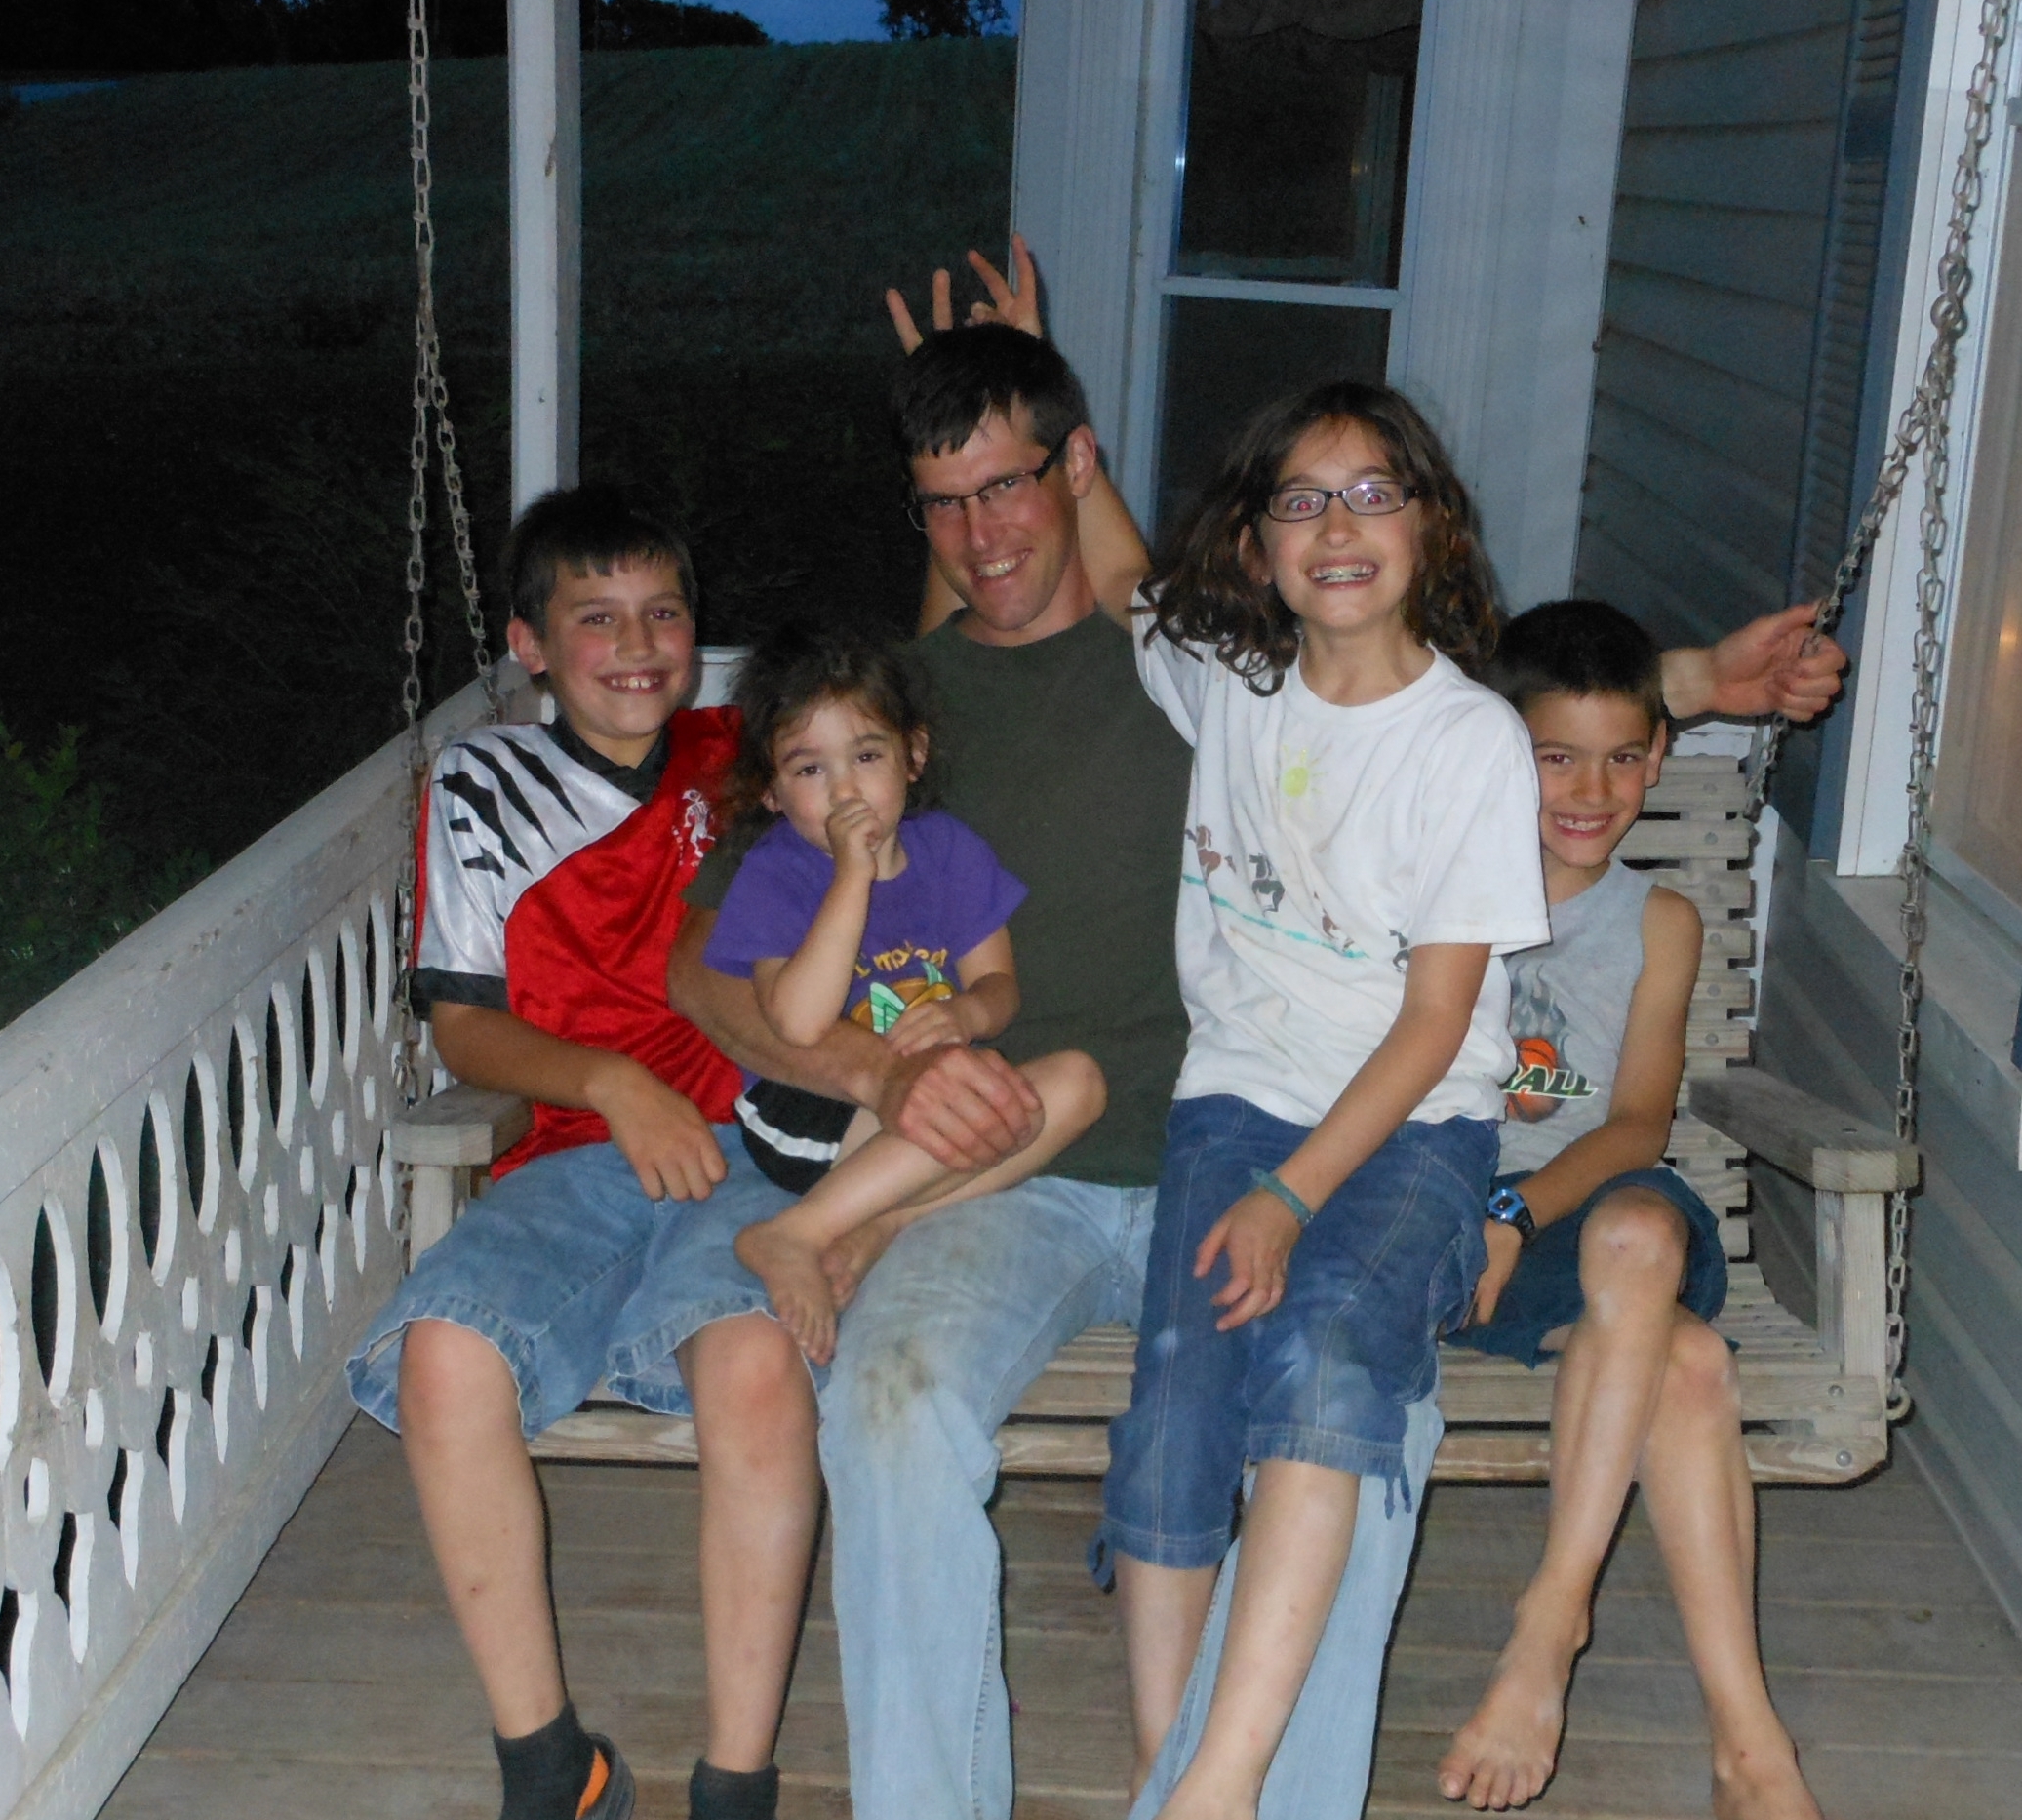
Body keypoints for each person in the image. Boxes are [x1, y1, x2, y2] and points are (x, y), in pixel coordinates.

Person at [669, 250, 1848, 1820]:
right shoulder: (894, 716)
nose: (985, 531)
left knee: (1346, 1425)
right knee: (886, 1399)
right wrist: (881, 1072)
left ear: (1076, 471)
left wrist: (1695, 681)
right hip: (1020, 1172)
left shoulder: (1204, 661)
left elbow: (1464, 707)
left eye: (1014, 485)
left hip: (1286, 1141)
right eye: (945, 504)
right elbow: (707, 966)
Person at [1084, 378, 1549, 1820]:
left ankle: (1218, 1785)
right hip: (1236, 1100)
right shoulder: (1231, 676)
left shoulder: (1467, 741)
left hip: (1414, 1127)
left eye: (1370, 495)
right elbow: (1113, 580)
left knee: (1330, 1372)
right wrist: (1075, 449)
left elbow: (1434, 1023)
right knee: (1177, 1402)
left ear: (1429, 526)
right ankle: (1176, 1769)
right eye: (1299, 499)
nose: (1335, 527)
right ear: (1257, 541)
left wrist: (1293, 1199)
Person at [344, 486, 820, 1820]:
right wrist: (615, 1084)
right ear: (530, 643)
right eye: (594, 616)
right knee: (444, 1357)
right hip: (574, 1152)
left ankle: (736, 1782)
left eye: (663, 611)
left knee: (754, 1365)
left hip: (760, 1155)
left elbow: (930, 686)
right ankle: (551, 1766)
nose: (635, 643)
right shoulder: (481, 783)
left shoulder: (750, 758)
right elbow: (462, 1026)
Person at [1435, 601, 1821, 1820]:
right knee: (1690, 1369)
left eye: (1620, 755)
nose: (1590, 789)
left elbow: (1634, 1126)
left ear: (1659, 758)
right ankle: (1747, 1747)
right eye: (1554, 755)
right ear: (1503, 752)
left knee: (1638, 1230)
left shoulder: (1657, 921)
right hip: (1464, 1235)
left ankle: (1549, 1618)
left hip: (1591, 1209)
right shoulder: (1433, 890)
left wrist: (1510, 1206)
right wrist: (1473, 1215)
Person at [705, 622, 1105, 1363]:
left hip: (923, 1095)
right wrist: (851, 875)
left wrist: (964, 1012)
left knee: (1076, 1083)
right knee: (962, 1127)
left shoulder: (949, 850)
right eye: (809, 769)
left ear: (912, 755)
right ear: (769, 790)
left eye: (865, 755)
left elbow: (999, 986)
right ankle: (792, 1231)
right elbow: (795, 1022)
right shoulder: (776, 873)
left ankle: (877, 1223)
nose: (846, 788)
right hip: (806, 1108)